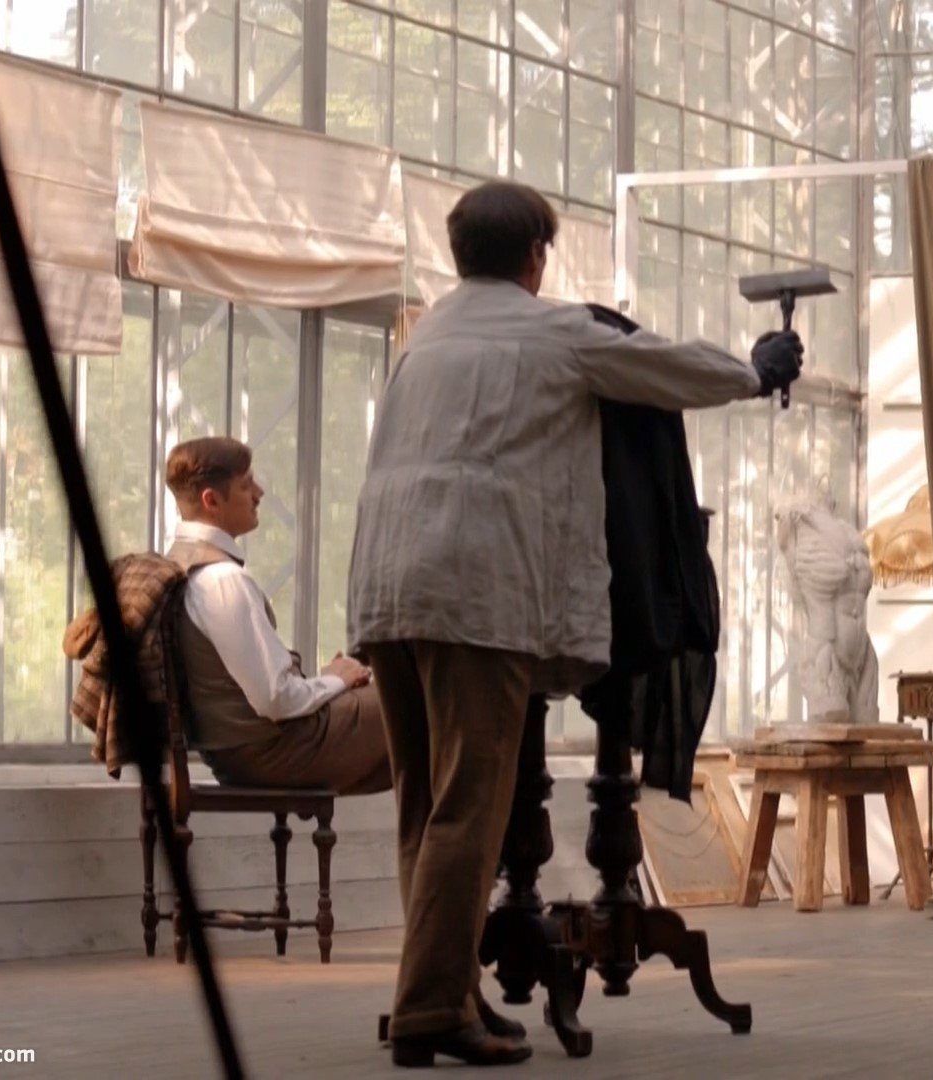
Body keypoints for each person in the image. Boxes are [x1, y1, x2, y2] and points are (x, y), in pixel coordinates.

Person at [347, 181, 802, 1068]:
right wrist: (756, 371)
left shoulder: (424, 338)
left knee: (422, 809)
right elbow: (662, 368)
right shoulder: (550, 331)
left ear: (459, 254)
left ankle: (441, 990)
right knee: (468, 811)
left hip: (388, 589)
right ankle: (431, 1010)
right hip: (476, 598)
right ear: (535, 258)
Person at [162, 437, 391, 795]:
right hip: (274, 752)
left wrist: (330, 680)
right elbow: (276, 699)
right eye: (246, 484)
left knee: (413, 716)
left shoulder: (180, 564)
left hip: (239, 753)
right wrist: (336, 681)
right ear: (212, 501)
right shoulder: (222, 581)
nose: (259, 493)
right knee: (427, 702)